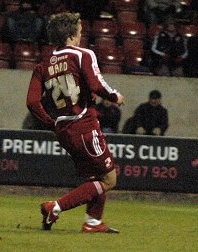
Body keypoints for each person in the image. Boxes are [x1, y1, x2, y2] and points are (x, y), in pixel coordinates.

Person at [26, 12, 125, 233]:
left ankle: (93, 222)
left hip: (64, 129)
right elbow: (97, 84)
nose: (81, 35)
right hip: (84, 124)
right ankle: (56, 207)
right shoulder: (82, 55)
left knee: (96, 177)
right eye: (79, 31)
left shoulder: (42, 66)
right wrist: (115, 96)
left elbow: (32, 102)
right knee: (109, 179)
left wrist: (51, 124)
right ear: (71, 35)